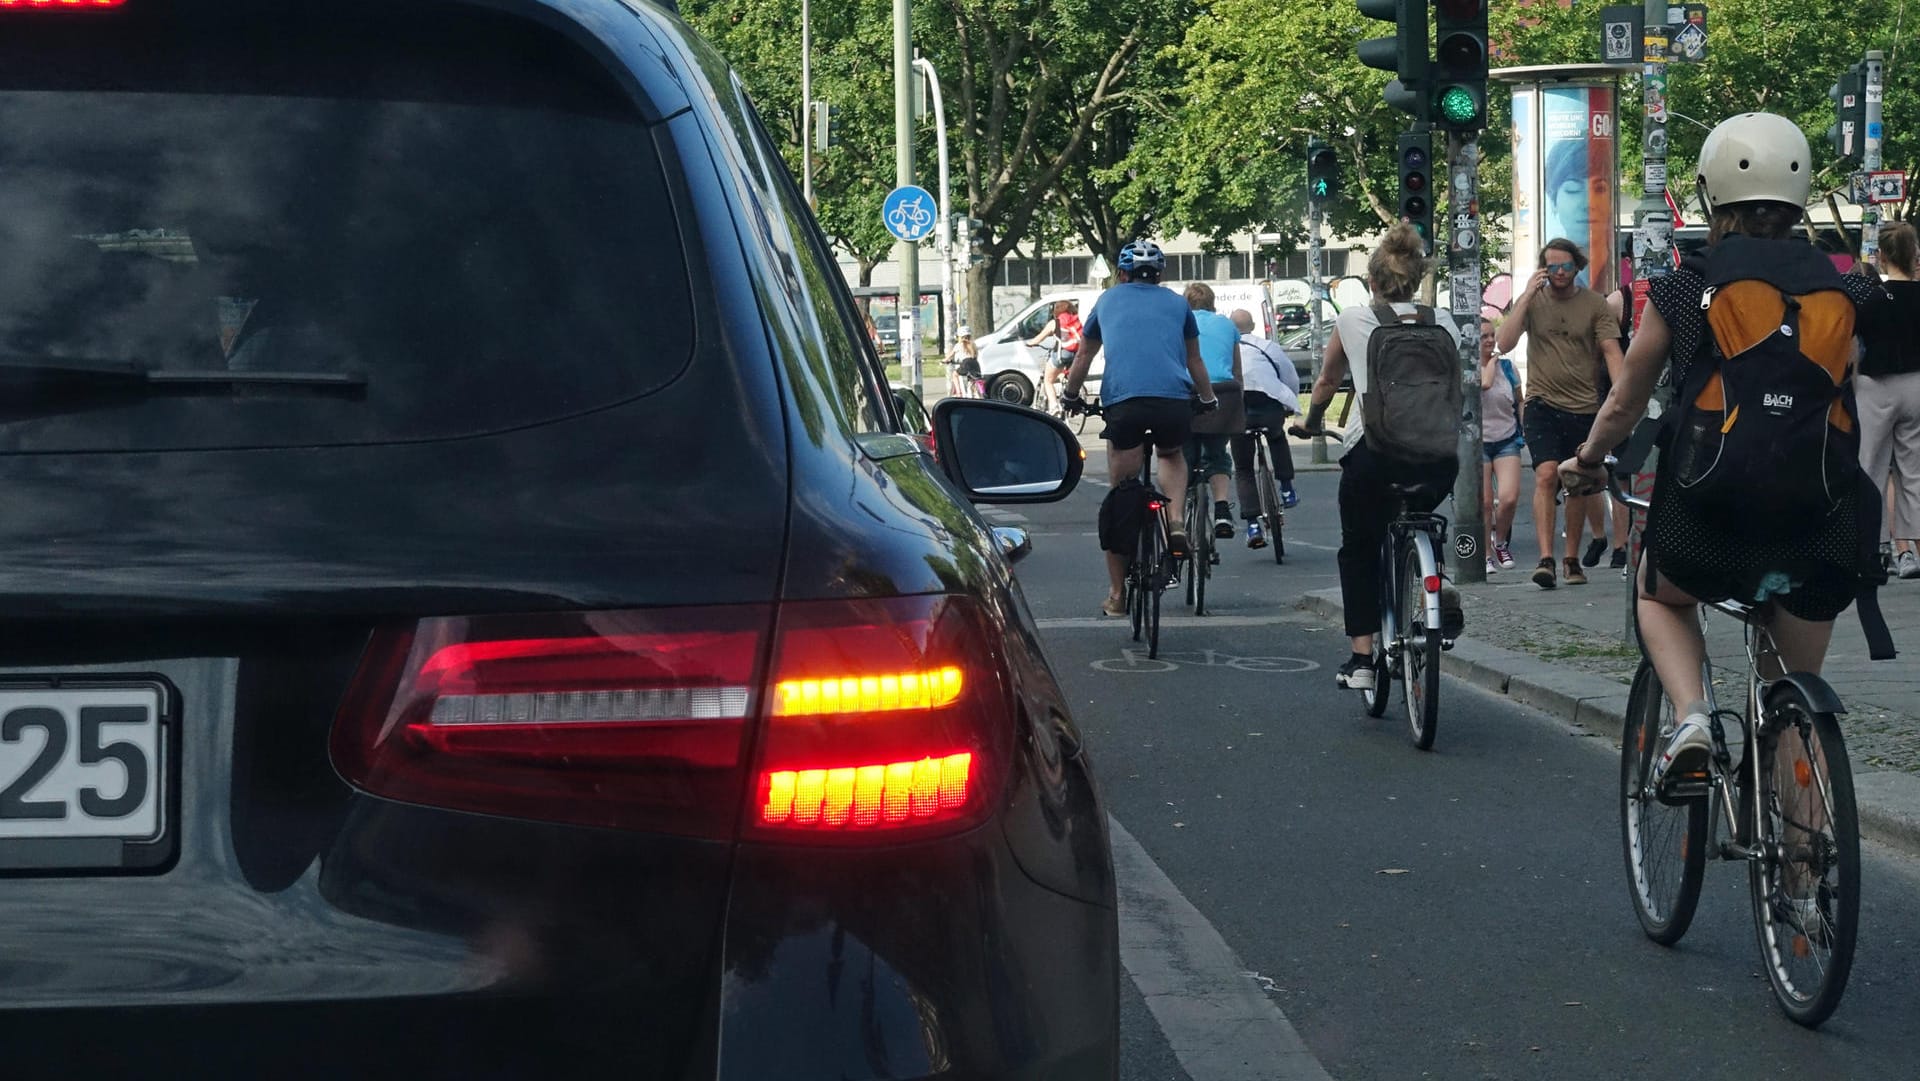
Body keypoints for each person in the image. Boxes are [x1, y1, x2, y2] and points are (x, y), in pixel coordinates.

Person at [1560, 112, 1892, 796]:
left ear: (1712, 194)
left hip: (1707, 517)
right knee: (1795, 701)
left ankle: (1692, 718)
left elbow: (1626, 400)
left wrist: (1588, 459)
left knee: (1659, 591)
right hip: (1820, 520)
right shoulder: (1850, 289)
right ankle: (1803, 885)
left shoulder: (1686, 285)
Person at [1290, 222, 1462, 691]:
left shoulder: (1352, 320)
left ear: (1371, 283)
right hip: (1437, 456)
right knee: (1422, 514)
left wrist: (1310, 422)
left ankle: (1362, 659)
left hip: (1376, 454)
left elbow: (1324, 384)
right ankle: (1436, 579)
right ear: (1418, 278)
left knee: (1360, 548)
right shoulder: (1442, 320)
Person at [1061, 240, 1217, 617]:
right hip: (1171, 401)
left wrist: (1069, 394)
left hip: (1125, 403)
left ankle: (1116, 596)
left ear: (1122, 273)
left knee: (1121, 499)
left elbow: (1084, 353)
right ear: (1160, 274)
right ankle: (1176, 520)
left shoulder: (1108, 301)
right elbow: (1194, 358)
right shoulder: (1179, 304)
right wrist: (1209, 398)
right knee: (1170, 453)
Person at [1495, 238, 1623, 589]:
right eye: (1552, 267)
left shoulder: (1595, 304)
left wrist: (1624, 395)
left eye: (1566, 266)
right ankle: (1546, 559)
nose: (1560, 273)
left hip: (1584, 408)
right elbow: (1504, 342)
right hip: (1541, 404)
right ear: (1543, 269)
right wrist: (1524, 296)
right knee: (1547, 475)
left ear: (1577, 267)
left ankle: (1571, 558)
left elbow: (1611, 351)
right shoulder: (1533, 302)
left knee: (1576, 482)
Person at [1857, 220, 1920, 579]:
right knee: (1914, 470)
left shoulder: (1871, 298)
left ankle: (1876, 546)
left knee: (1872, 467)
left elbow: (1855, 343)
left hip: (1876, 386)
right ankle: (1911, 549)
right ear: (1913, 255)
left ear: (1880, 256)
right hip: (1916, 385)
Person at [1230, 307, 1299, 549]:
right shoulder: (1268, 346)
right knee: (1277, 438)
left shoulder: (1228, 348)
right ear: (1252, 326)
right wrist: (1290, 402)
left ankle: (1252, 525)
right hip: (1268, 406)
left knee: (1243, 468)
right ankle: (1287, 488)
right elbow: (1289, 377)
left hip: (1240, 411)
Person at [1184, 283, 1244, 539]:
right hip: (1223, 394)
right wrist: (1238, 402)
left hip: (1186, 394)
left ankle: (1179, 515)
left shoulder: (1179, 323)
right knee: (1218, 455)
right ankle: (1221, 509)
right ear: (1212, 302)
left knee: (1180, 456)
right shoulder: (1228, 325)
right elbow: (1237, 370)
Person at [1478, 317, 1525, 572]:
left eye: (1491, 335)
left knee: (1508, 498)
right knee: (1485, 502)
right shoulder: (1469, 369)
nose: (1489, 340)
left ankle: (1500, 541)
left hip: (1507, 439)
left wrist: (1522, 424)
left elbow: (1519, 399)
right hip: (1479, 443)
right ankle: (1485, 554)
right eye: (1483, 336)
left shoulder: (1509, 369)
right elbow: (1484, 384)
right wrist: (1492, 362)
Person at [1544, 138, 1611, 291]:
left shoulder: (1628, 275)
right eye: (1573, 190)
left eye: (1599, 189)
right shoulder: (1545, 286)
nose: (1588, 204)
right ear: (1553, 202)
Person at [1028, 299, 1082, 415]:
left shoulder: (1055, 323)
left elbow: (1039, 338)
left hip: (1062, 355)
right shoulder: (1076, 321)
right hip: (1076, 356)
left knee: (1048, 380)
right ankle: (1066, 386)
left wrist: (1030, 343)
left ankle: (1053, 406)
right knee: (1062, 372)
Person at [945, 326, 981, 398]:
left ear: (960, 337)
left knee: (955, 374)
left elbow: (951, 355)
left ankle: (959, 393)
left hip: (965, 363)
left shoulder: (959, 345)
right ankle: (976, 394)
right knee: (972, 380)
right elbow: (975, 355)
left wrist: (945, 360)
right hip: (975, 364)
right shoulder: (973, 344)